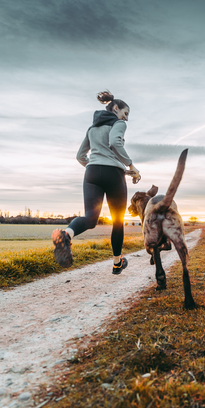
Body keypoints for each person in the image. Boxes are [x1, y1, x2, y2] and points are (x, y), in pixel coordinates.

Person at [52, 90, 141, 274]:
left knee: (90, 218)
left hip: (91, 173)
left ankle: (66, 235)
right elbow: (115, 143)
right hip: (113, 175)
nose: (126, 119)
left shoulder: (92, 128)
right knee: (117, 221)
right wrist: (132, 167)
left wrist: (95, 166)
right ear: (115, 108)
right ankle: (117, 263)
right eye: (125, 114)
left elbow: (80, 156)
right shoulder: (118, 124)